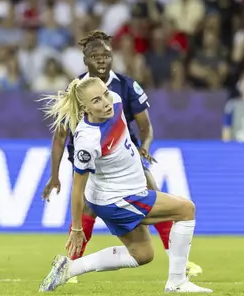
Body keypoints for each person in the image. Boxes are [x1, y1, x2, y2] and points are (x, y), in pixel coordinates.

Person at [41, 30, 202, 280]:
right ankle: (177, 273)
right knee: (179, 209)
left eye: (105, 54)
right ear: (86, 60)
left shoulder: (122, 88)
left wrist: (144, 147)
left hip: (125, 159)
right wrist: (54, 175)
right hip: (96, 170)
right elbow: (61, 136)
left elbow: (145, 126)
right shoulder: (77, 93)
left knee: (142, 251)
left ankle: (70, 268)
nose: (102, 59)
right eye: (95, 56)